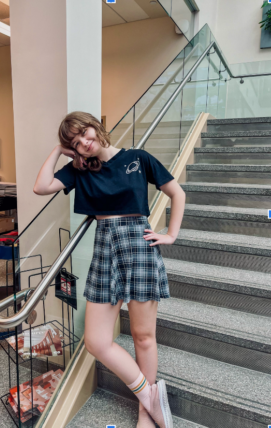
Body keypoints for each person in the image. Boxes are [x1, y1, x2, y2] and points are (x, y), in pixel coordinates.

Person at [33, 111, 186, 428]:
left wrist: (170, 235)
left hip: (139, 244)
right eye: (76, 143)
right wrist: (59, 150)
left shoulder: (137, 158)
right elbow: (41, 186)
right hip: (106, 249)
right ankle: (150, 396)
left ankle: (146, 412)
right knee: (96, 341)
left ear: (95, 126)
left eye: (84, 134)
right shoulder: (80, 170)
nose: (84, 143)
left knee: (144, 336)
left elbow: (176, 193)